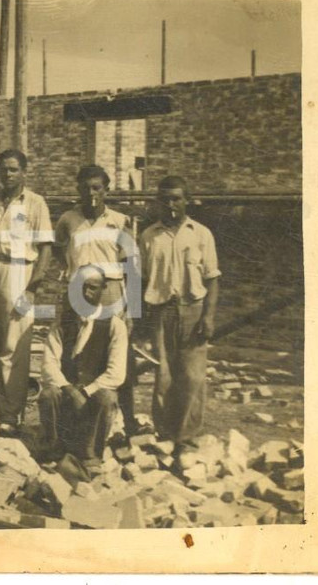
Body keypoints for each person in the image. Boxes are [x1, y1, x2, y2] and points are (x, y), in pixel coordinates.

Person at [53, 164, 142, 434]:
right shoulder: (68, 219)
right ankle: (74, 421)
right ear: (77, 189)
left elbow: (132, 265)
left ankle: (126, 421)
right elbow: (58, 250)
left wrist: (131, 310)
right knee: (75, 352)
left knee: (118, 355)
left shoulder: (119, 220)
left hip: (111, 290)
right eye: (85, 188)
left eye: (97, 188)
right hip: (78, 290)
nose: (91, 194)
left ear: (106, 190)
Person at [138, 175, 220, 456]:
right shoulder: (149, 236)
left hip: (193, 311)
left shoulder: (201, 234)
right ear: (158, 202)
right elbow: (141, 279)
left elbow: (212, 279)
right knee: (163, 376)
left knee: (193, 377)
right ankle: (164, 435)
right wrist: (141, 322)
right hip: (161, 312)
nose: (171, 204)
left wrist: (208, 316)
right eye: (165, 199)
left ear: (186, 200)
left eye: (176, 198)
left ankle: (186, 439)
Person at [0, 149, 53, 437]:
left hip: (20, 272)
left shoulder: (35, 203)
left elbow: (45, 249)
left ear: (24, 172)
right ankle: (4, 410)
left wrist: (33, 287)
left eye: (13, 170)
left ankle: (13, 414)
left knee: (15, 348)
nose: (7, 175)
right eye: (3, 170)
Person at [38, 265, 128, 468]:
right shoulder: (62, 323)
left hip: (93, 396)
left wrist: (87, 391)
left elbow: (116, 373)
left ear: (103, 289)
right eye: (81, 287)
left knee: (107, 397)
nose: (86, 293)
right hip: (67, 395)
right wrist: (69, 389)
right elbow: (48, 364)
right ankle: (53, 448)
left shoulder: (114, 325)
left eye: (92, 288)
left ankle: (90, 454)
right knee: (48, 394)